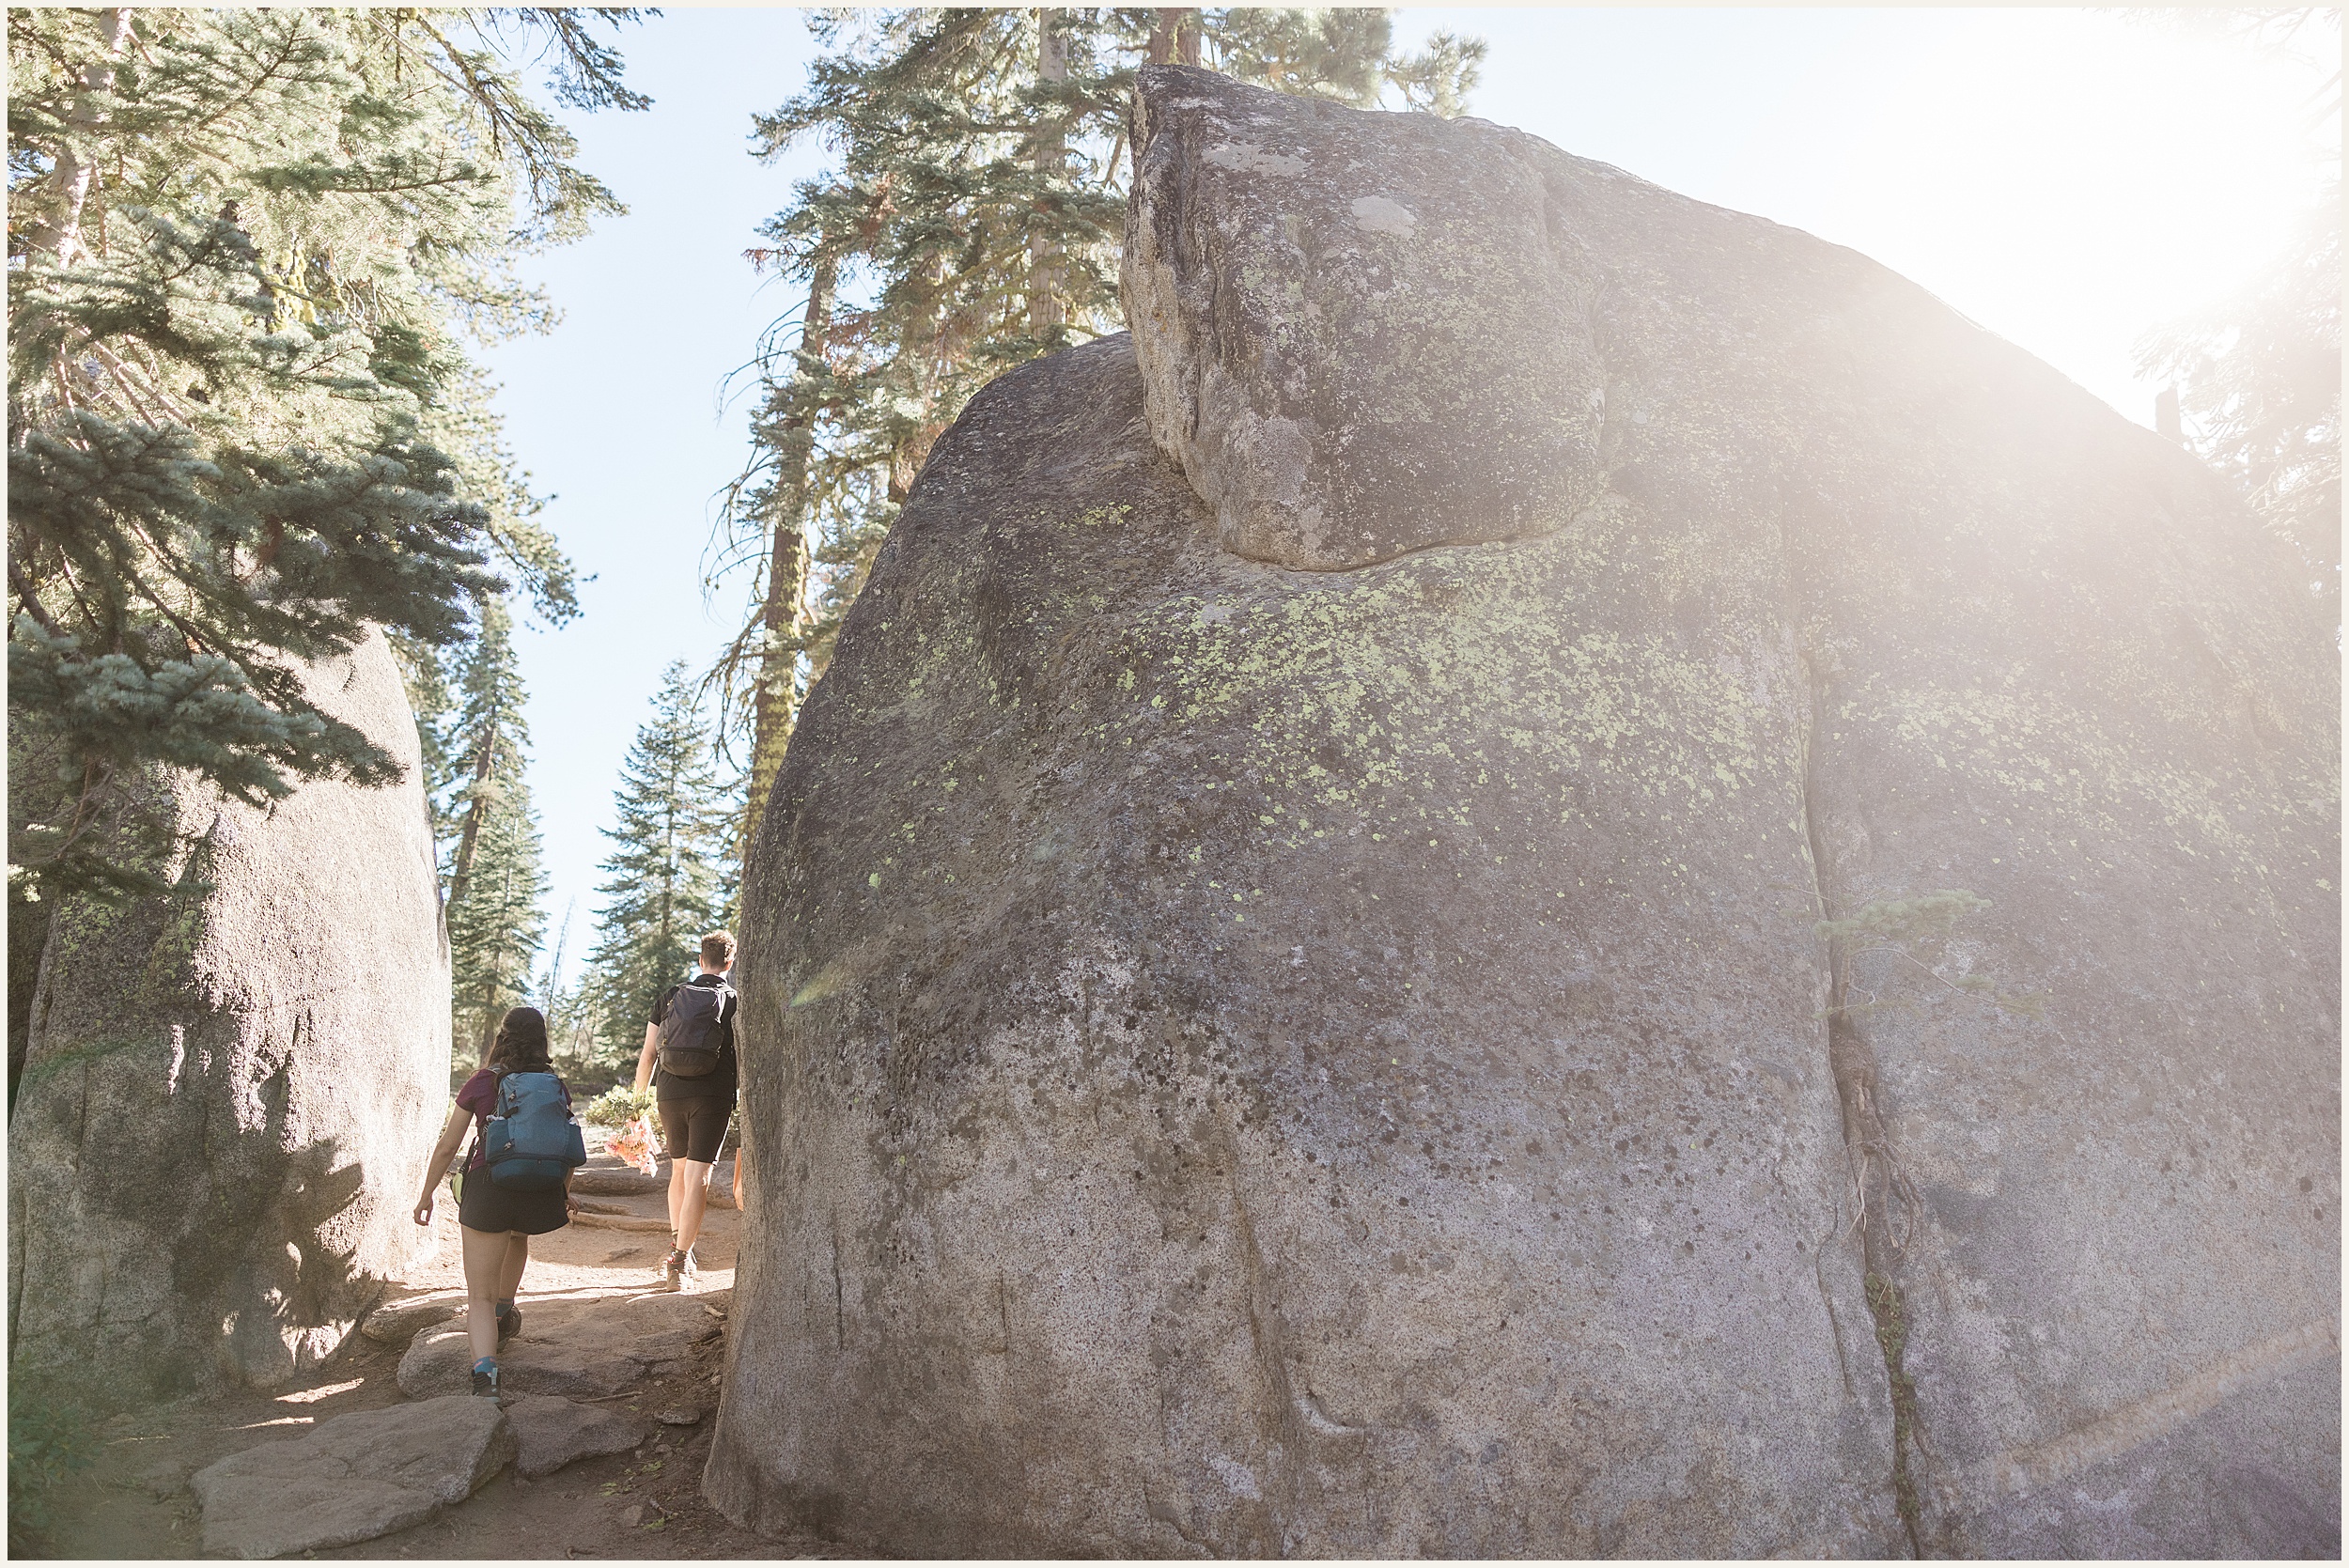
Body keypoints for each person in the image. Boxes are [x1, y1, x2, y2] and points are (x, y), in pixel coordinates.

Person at [412, 1006, 576, 1399]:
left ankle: (485, 1376)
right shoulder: (554, 1084)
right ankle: (506, 1313)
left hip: (489, 1190)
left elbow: (448, 1145)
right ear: (542, 1041)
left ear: (502, 1037)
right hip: (536, 1195)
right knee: (517, 1238)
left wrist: (427, 1194)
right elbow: (569, 1147)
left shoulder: (483, 1082)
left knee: (478, 1298)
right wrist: (564, 1193)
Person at [634, 930, 739, 1292]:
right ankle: (679, 1261)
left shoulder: (670, 996)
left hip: (669, 1092)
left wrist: (638, 1104)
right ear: (729, 962)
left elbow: (648, 1054)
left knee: (678, 1172)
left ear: (700, 960)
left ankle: (680, 1247)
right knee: (699, 1176)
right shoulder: (732, 1000)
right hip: (712, 1094)